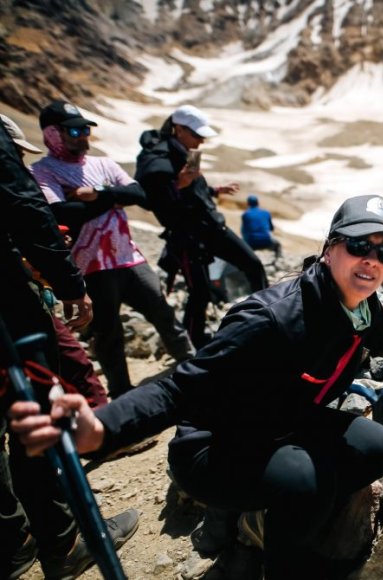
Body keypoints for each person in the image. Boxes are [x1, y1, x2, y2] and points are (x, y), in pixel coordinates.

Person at [9, 194, 383, 578]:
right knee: (304, 481)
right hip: (212, 445)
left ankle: (267, 516)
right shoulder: (271, 318)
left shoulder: (360, 306)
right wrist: (102, 429)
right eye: (360, 246)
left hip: (282, 422)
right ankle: (281, 562)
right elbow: (180, 388)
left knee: (378, 448)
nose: (372, 261)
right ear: (329, 248)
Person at [0, 116, 138, 580]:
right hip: (6, 303)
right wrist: (68, 283)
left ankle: (12, 545)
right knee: (36, 413)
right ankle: (64, 543)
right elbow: (23, 205)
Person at [31, 100, 195, 397]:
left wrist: (97, 195)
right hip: (90, 264)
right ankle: (122, 395)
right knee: (108, 333)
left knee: (161, 310)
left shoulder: (103, 164)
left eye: (85, 129)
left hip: (128, 257)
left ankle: (190, 362)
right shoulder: (43, 171)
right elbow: (61, 214)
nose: (83, 135)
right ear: (53, 134)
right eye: (74, 130)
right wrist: (112, 200)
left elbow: (138, 193)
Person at [135, 105, 268, 348]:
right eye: (197, 135)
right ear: (178, 129)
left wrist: (215, 190)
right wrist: (179, 184)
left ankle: (268, 318)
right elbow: (152, 199)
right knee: (200, 293)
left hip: (210, 227)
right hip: (187, 237)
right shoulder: (157, 160)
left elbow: (193, 192)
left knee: (253, 264)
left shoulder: (182, 151)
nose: (201, 140)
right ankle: (194, 342)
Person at [1, 114, 107, 409]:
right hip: (16, 290)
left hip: (25, 282)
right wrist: (69, 283)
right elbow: (29, 218)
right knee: (55, 361)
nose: (20, 159)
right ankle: (91, 428)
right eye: (17, 152)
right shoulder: (13, 180)